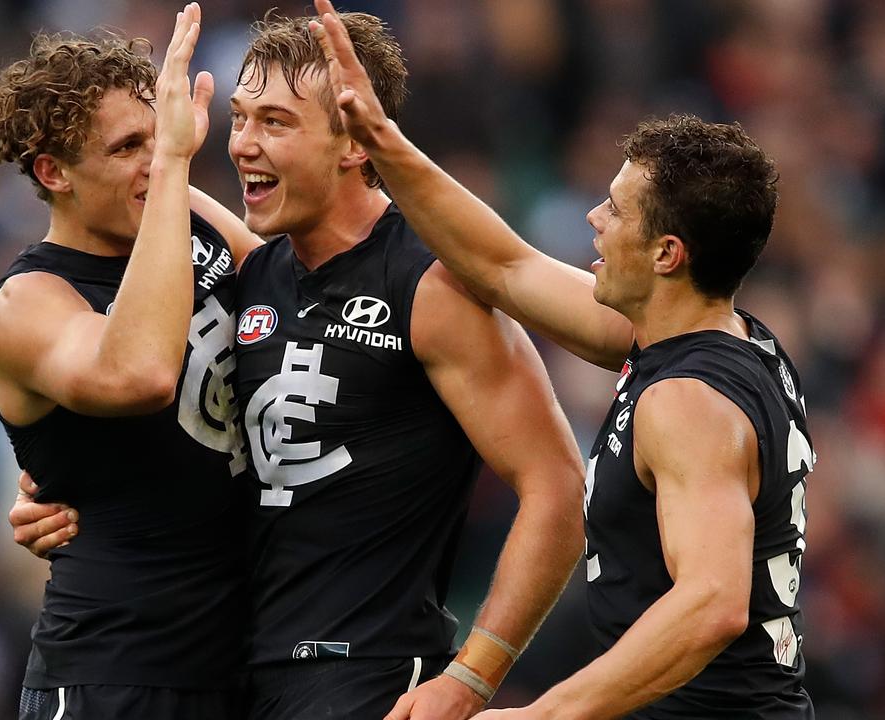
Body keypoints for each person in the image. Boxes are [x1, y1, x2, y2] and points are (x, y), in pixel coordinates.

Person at [11, 9, 586, 720]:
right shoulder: (251, 272)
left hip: (371, 678)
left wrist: (473, 675)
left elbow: (558, 484)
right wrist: (51, 479)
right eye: (241, 117)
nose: (244, 144)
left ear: (352, 139)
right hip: (242, 678)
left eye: (276, 123)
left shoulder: (430, 284)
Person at [309, 2, 817, 717]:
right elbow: (502, 267)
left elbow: (712, 604)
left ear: (667, 255)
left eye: (615, 211)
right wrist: (380, 137)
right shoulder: (714, 338)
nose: (592, 219)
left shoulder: (688, 402)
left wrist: (542, 715)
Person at [0, 6, 260, 718]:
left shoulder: (181, 214)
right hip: (116, 675)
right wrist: (167, 166)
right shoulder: (27, 301)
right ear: (54, 172)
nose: (154, 161)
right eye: (127, 146)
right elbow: (139, 375)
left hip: (248, 663)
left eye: (157, 140)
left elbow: (292, 295)